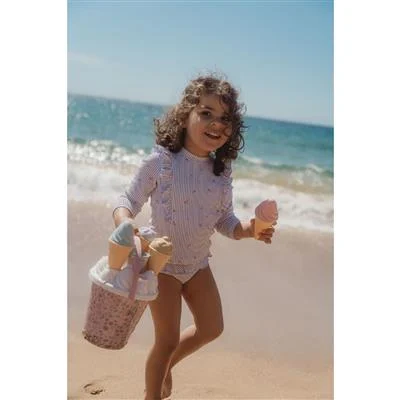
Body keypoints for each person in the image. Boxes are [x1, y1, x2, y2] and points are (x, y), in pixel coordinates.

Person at [112, 74, 276, 399]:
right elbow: (126, 200)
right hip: (161, 264)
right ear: (185, 114)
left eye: (225, 118)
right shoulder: (161, 162)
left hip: (198, 264)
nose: (217, 124)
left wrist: (252, 230)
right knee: (166, 340)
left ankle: (167, 366)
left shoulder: (220, 173)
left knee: (212, 328)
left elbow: (226, 221)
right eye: (206, 113)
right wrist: (125, 223)